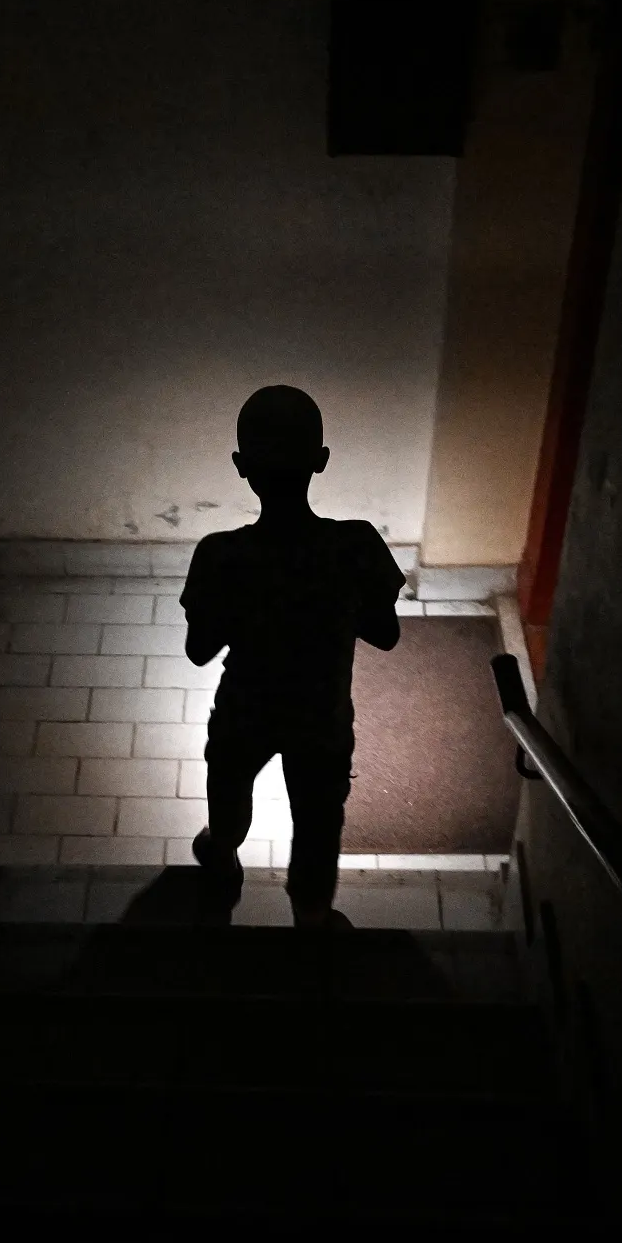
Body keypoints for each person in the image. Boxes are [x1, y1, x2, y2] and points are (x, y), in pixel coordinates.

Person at [179, 385, 405, 928]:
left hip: (245, 708)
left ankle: (222, 852)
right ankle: (311, 916)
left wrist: (247, 607)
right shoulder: (356, 546)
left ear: (241, 467)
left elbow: (198, 650)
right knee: (318, 821)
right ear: (320, 460)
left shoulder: (220, 554)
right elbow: (386, 634)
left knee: (229, 792)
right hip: (321, 714)